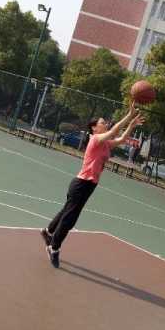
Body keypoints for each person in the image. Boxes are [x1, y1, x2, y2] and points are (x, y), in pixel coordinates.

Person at [42, 104, 144, 267]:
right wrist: (129, 115)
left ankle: (48, 232)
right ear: (94, 128)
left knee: (67, 211)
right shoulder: (95, 139)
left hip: (89, 185)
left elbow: (121, 139)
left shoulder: (105, 144)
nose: (106, 124)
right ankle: (54, 247)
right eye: (102, 123)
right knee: (70, 219)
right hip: (81, 184)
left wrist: (131, 125)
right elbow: (114, 131)